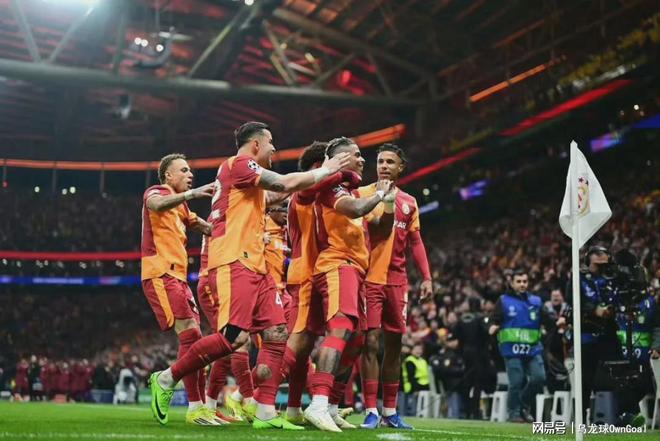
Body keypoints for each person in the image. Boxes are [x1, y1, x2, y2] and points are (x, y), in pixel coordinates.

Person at [148, 121, 350, 430]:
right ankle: (166, 378)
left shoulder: (246, 183)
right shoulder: (239, 164)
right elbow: (282, 184)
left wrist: (314, 183)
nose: (274, 148)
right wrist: (327, 169)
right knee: (234, 338)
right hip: (234, 260)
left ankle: (265, 411)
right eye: (271, 142)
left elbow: (274, 197)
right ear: (256, 144)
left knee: (277, 333)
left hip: (257, 266)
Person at [303, 136, 395, 432]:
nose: (363, 159)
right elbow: (354, 210)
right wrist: (378, 194)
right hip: (337, 265)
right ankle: (317, 404)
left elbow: (380, 231)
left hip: (356, 271)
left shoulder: (353, 191)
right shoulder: (331, 187)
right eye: (356, 155)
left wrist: (389, 204)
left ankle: (330, 406)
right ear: (341, 158)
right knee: (341, 328)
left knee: (356, 340)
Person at [282, 141, 360, 425]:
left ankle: (297, 408)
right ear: (319, 167)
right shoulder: (305, 192)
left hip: (316, 272)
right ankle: (252, 395)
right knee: (299, 344)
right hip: (306, 272)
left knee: (307, 347)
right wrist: (345, 174)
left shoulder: (320, 192)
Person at [358, 143, 433, 430]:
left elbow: (416, 242)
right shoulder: (363, 195)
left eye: (390, 162)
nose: (384, 166)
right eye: (380, 161)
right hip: (369, 278)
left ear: (401, 167)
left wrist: (426, 277)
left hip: (397, 281)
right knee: (369, 343)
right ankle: (370, 410)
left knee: (395, 345)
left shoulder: (409, 202)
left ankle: (389, 411)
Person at [140, 153, 219, 425]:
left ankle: (197, 406)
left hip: (180, 278)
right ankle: (175, 389)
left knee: (195, 341)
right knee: (192, 335)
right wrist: (192, 194)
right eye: (183, 171)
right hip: (160, 272)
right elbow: (156, 204)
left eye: (190, 171)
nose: (190, 175)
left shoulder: (183, 208)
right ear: (168, 176)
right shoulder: (156, 191)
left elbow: (206, 228)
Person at [489, 268, 548, 423]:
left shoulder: (536, 301)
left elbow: (548, 319)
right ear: (512, 283)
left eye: (525, 281)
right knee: (516, 381)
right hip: (512, 349)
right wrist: (493, 326)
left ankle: (522, 404)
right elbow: (493, 319)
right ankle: (514, 413)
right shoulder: (503, 300)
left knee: (539, 377)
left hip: (533, 349)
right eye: (519, 281)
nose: (522, 284)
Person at [454, 296, 493, 419]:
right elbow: (487, 333)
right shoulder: (481, 317)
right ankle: (475, 411)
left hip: (465, 353)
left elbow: (456, 335)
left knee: (467, 382)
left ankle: (466, 410)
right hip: (479, 353)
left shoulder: (462, 319)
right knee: (478, 383)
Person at [402, 344, 430, 416]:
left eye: (420, 349)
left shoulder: (423, 361)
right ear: (412, 351)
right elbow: (411, 376)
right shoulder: (409, 360)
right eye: (416, 349)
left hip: (424, 386)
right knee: (412, 406)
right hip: (412, 386)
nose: (418, 351)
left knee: (422, 407)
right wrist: (415, 389)